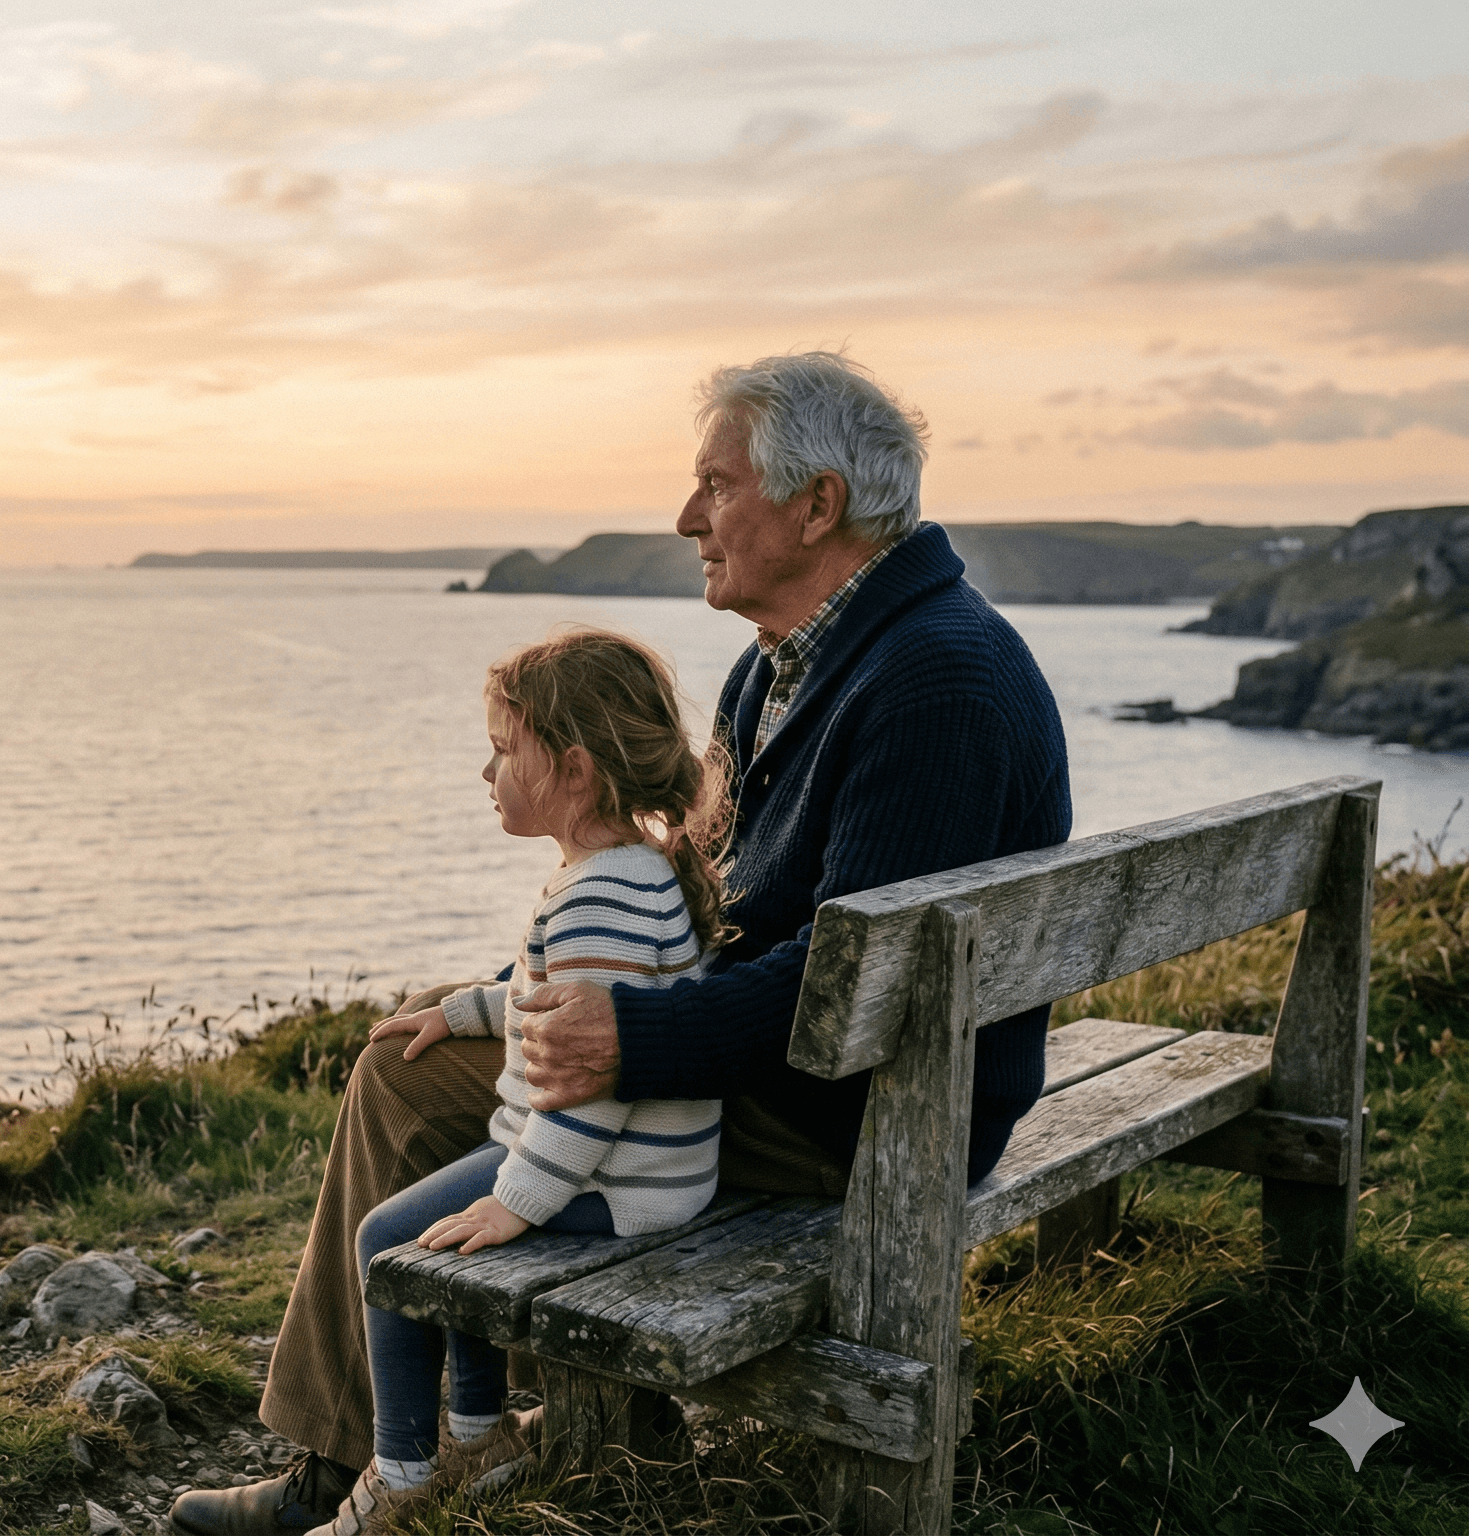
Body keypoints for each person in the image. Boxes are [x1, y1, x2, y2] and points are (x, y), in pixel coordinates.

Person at [171, 351, 1069, 1536]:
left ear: (816, 506)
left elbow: (860, 991)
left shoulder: (927, 687)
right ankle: (440, 1443)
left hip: (876, 1118)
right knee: (432, 1039)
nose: (687, 517)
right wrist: (511, 989)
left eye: (717, 485)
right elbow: (688, 889)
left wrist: (627, 1034)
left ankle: (354, 1474)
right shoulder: (790, 661)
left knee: (410, 1088)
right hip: (839, 1072)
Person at [317, 629, 731, 1536]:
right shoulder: (624, 870)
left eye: (505, 751)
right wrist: (461, 1012)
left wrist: (522, 1199)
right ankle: (478, 1435)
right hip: (633, 1170)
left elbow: (597, 1082)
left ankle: (403, 1478)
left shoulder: (601, 895)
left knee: (392, 1238)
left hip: (623, 1182)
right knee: (454, 1216)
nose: (486, 772)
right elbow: (541, 991)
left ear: (575, 772)